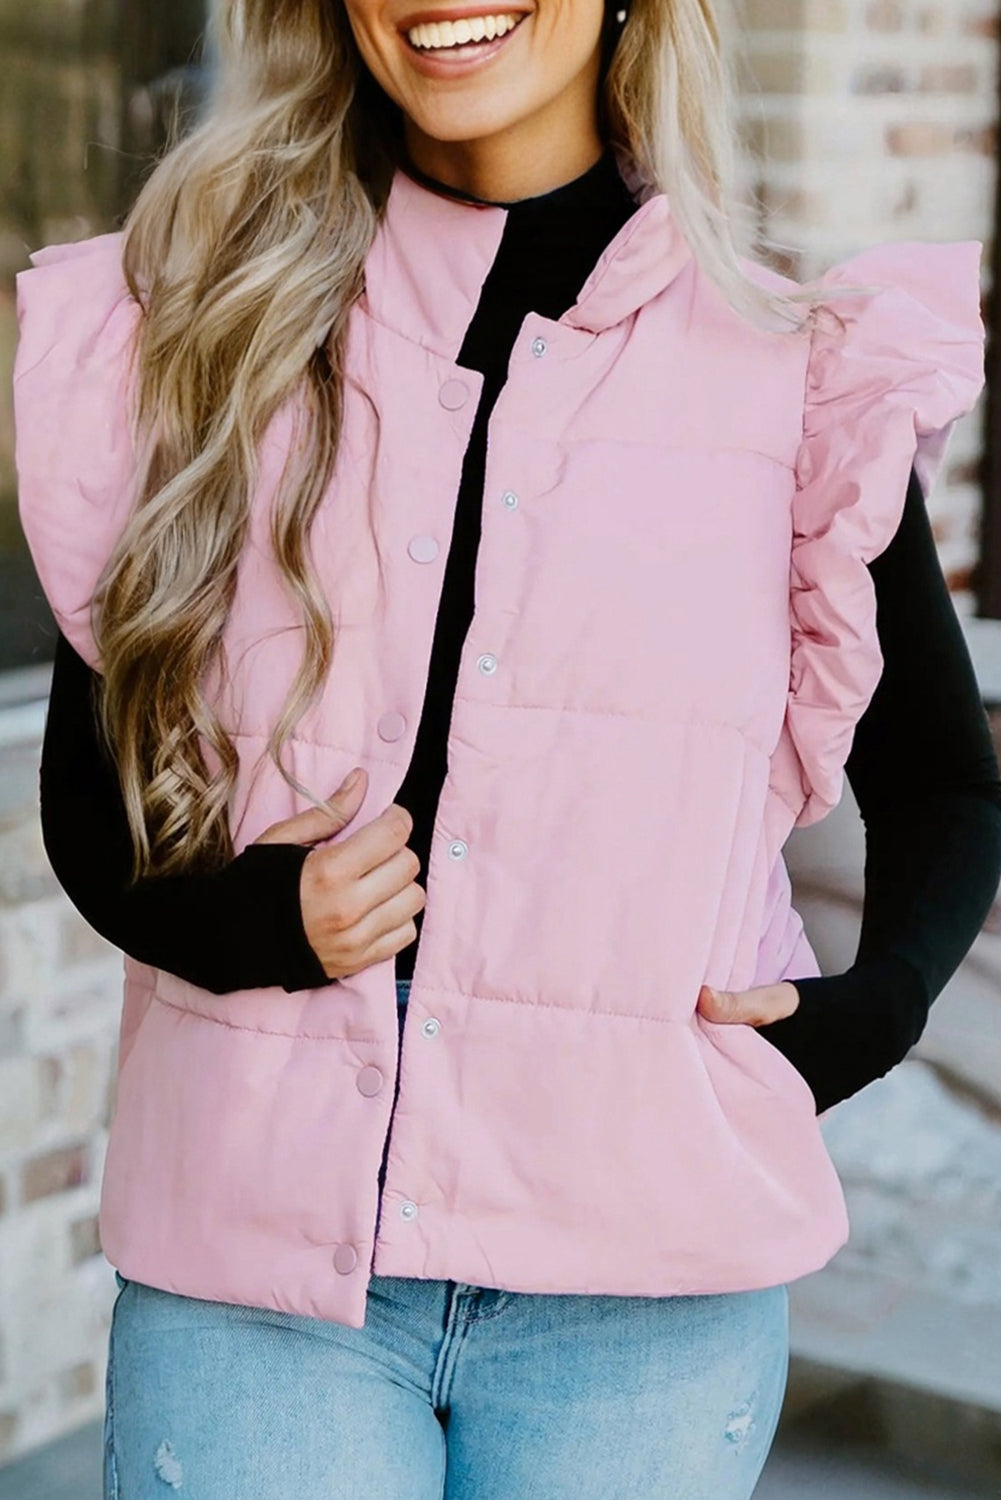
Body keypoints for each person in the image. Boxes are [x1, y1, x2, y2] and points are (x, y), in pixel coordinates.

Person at [12, 0, 1001, 1493]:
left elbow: (941, 777)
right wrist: (251, 920)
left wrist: (877, 1006)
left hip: (643, 1289)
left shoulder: (788, 366)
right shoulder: (210, 324)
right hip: (265, 1266)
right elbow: (97, 789)